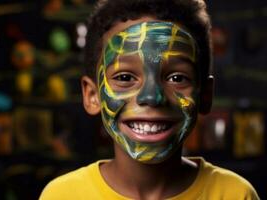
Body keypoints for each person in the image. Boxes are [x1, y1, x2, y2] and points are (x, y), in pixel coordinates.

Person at [39, 0, 260, 199]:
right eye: (124, 77)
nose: (152, 97)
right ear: (92, 95)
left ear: (204, 95)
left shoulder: (234, 194)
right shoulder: (63, 195)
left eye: (176, 78)